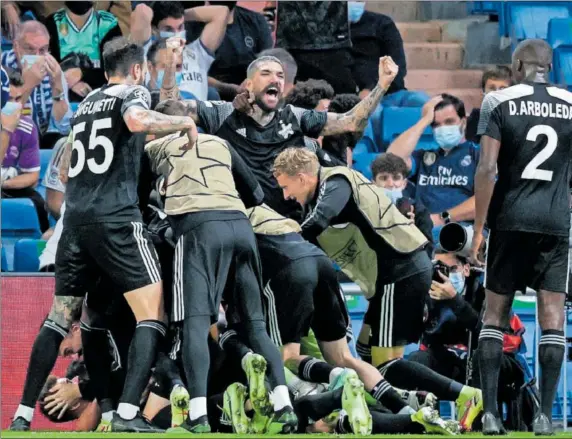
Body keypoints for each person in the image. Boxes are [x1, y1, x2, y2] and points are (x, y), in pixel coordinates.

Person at [8, 37, 198, 433]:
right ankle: (128, 414)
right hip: (115, 219)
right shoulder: (132, 93)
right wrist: (183, 121)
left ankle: (23, 414)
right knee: (152, 314)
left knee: (64, 319)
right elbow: (137, 121)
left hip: (74, 224)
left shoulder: (86, 105)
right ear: (136, 70)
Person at [146, 99, 298, 434]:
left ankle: (198, 416)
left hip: (199, 231)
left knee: (196, 326)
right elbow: (257, 193)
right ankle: (284, 404)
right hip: (241, 228)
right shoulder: (221, 143)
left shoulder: (155, 147)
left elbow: (139, 198)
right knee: (257, 327)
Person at [470, 38, 572, 436]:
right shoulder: (570, 103)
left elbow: (486, 170)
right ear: (550, 67)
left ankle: (492, 415)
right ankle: (545, 417)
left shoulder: (499, 103)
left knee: (494, 316)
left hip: (510, 220)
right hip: (554, 222)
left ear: (517, 65)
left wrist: (479, 230)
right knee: (552, 321)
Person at [183, 54, 400, 221]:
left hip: (287, 227)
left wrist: (382, 86)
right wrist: (169, 67)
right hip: (237, 221)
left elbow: (351, 121)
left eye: (280, 75)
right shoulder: (223, 113)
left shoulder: (296, 120)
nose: (275, 79)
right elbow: (169, 110)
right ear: (248, 84)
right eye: (266, 73)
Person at [387, 94, 480, 232]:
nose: (443, 128)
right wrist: (424, 121)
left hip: (461, 230)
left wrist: (441, 218)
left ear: (463, 122)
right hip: (421, 231)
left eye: (449, 122)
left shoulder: (479, 154)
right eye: (436, 124)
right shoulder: (425, 157)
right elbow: (391, 160)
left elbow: (488, 200)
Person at [130, 1, 230, 101]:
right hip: (159, 110)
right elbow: (141, 10)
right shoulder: (146, 52)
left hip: (194, 112)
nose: (177, 34)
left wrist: (181, 14)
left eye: (180, 27)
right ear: (155, 30)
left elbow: (222, 12)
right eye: (168, 29)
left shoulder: (198, 53)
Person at [1, 21, 72, 144]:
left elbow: (65, 128)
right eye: (30, 49)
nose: (37, 56)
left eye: (43, 50)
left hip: (42, 141)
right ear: (16, 47)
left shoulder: (52, 68)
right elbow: (4, 125)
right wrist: (27, 85)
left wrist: (57, 88)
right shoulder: (3, 67)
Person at [189, 1, 274, 99]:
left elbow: (268, 61)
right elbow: (191, 74)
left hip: (250, 93)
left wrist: (252, 80)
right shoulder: (191, 25)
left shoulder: (256, 21)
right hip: (211, 96)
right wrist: (227, 88)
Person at [1, 68, 49, 233]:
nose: (14, 106)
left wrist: (3, 183)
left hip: (8, 186)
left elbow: (32, 176)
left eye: (18, 99)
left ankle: (43, 250)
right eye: (8, 100)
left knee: (39, 204)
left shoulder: (27, 128)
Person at [44, 1, 122, 98]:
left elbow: (115, 72)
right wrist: (72, 83)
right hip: (62, 99)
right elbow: (48, 69)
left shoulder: (108, 24)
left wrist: (82, 73)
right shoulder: (52, 23)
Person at [370, 152, 434, 255]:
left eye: (396, 178)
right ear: (373, 184)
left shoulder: (419, 212)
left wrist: (412, 232)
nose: (390, 184)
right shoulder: (364, 209)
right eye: (384, 178)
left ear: (404, 184)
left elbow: (427, 256)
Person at [466, 66, 513, 143]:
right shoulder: (476, 117)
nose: (497, 93)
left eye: (502, 88)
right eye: (492, 88)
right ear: (483, 91)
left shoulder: (519, 118)